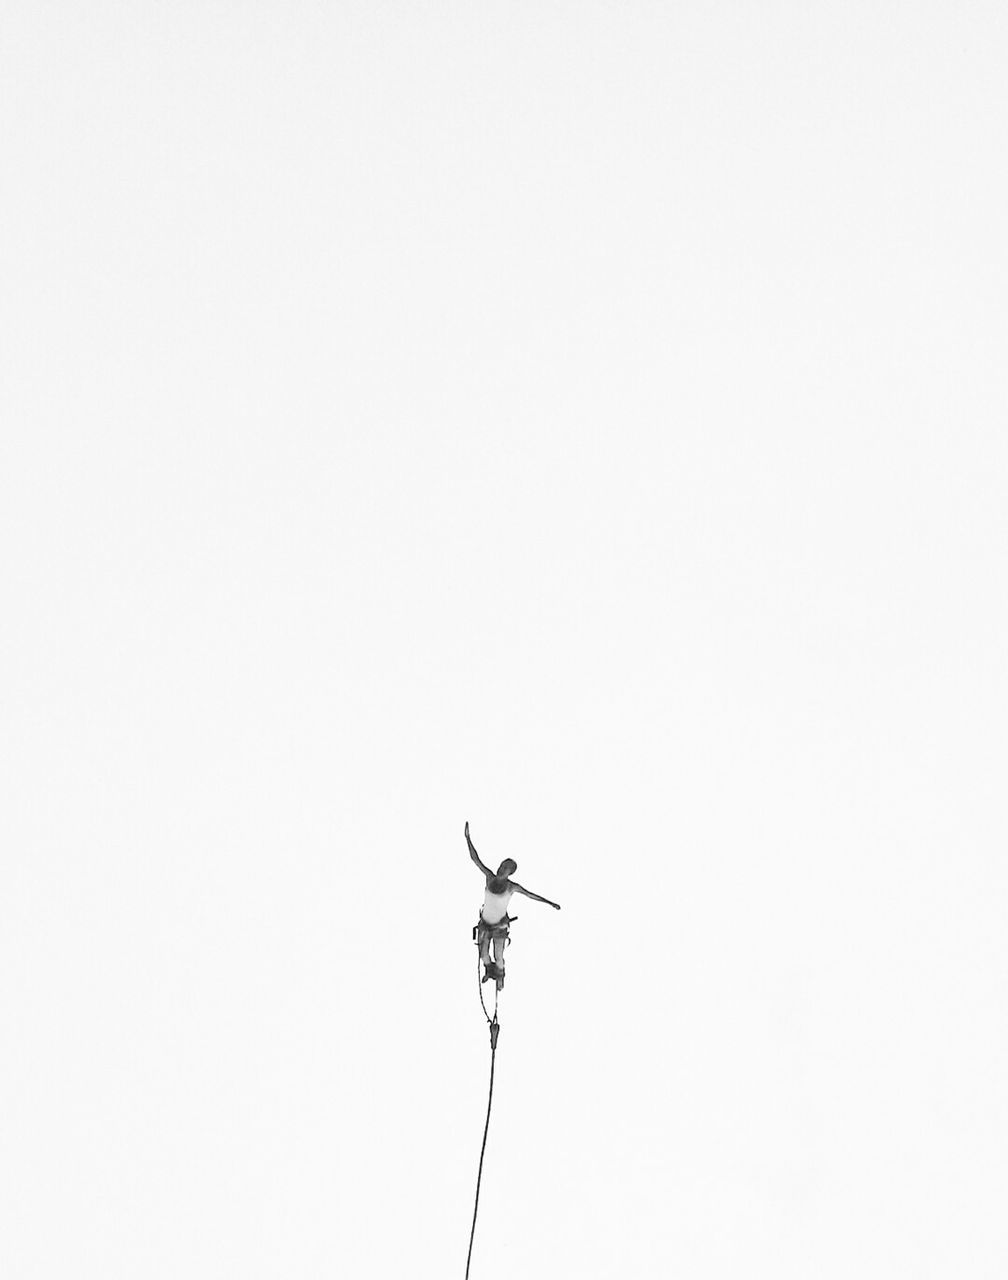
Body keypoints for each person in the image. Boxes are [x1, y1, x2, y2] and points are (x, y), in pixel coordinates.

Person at [466, 821, 560, 986]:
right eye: (501, 867)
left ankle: (500, 976)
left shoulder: (511, 887)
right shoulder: (489, 877)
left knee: (498, 955)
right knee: (483, 954)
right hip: (485, 924)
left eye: (505, 870)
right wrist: (468, 838)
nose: (500, 870)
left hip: (499, 927)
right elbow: (475, 859)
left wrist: (550, 903)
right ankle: (489, 970)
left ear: (509, 873)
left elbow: (531, 895)